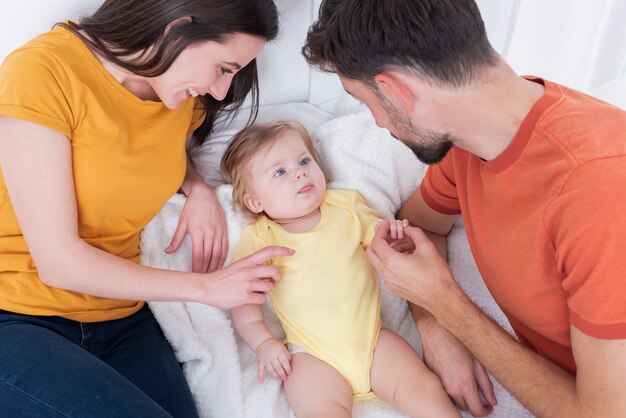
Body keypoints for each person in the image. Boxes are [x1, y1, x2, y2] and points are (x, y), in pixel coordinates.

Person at [301, 0, 626, 417]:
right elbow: (419, 226)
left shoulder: (599, 194)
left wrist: (448, 305)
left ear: (398, 91)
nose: (378, 124)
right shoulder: (474, 135)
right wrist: (435, 329)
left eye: (368, 103)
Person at [0, 1, 293, 416]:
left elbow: (139, 154)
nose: (221, 91)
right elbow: (58, 263)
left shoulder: (175, 93)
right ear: (177, 30)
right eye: (224, 68)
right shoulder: (42, 72)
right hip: (16, 315)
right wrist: (209, 288)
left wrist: (196, 188)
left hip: (120, 318)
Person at [220, 120, 460, 418]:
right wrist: (263, 343)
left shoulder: (346, 206)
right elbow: (245, 299)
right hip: (311, 354)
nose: (300, 171)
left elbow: (380, 242)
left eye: (304, 160)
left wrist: (395, 236)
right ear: (255, 202)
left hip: (372, 340)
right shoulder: (260, 239)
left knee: (425, 389)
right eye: (280, 172)